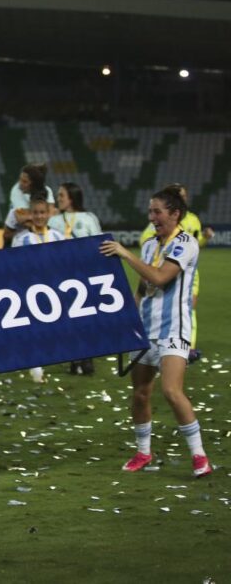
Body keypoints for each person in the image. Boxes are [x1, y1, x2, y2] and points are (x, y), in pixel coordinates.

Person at [100, 186, 212, 479]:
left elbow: (161, 278)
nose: (152, 217)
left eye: (158, 212)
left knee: (171, 391)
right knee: (140, 393)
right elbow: (143, 284)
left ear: (175, 214)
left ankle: (199, 456)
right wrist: (131, 317)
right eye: (150, 211)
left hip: (174, 327)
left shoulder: (186, 243)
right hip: (146, 329)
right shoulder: (150, 244)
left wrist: (125, 254)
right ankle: (143, 452)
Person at [139, 184, 213, 361]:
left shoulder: (193, 220)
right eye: (180, 195)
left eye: (184, 195)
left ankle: (189, 347)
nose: (183, 198)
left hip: (187, 270)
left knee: (188, 308)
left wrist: (205, 238)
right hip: (159, 266)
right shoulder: (157, 224)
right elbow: (146, 240)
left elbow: (195, 243)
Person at [48, 182, 103, 374]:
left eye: (62, 195)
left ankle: (87, 358)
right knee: (66, 318)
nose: (58, 199)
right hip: (60, 275)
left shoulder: (88, 218)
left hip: (83, 274)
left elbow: (99, 244)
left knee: (85, 316)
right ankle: (74, 359)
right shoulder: (54, 220)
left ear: (71, 197)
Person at [12, 194, 64, 383]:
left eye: (42, 212)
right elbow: (14, 266)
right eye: (35, 213)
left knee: (51, 328)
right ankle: (36, 367)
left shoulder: (58, 236)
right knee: (33, 327)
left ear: (49, 214)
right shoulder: (22, 239)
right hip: (31, 288)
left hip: (53, 287)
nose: (39, 216)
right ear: (30, 214)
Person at [4, 164, 57, 245]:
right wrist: (41, 216)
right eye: (20, 179)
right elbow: (20, 219)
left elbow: (52, 215)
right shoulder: (16, 190)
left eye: (25, 181)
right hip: (16, 231)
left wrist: (31, 217)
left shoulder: (47, 191)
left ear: (33, 184)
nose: (20, 183)